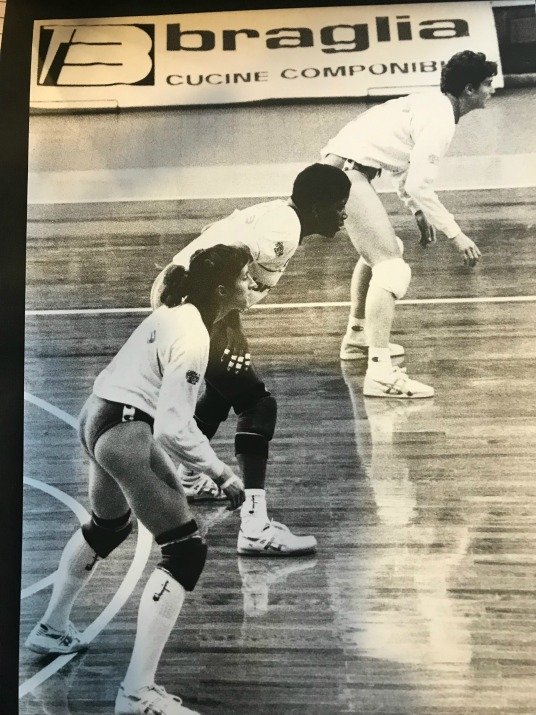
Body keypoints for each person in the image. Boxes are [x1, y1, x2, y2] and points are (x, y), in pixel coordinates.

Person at [25, 245, 255, 715]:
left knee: (108, 527)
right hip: (126, 429)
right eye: (245, 278)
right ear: (221, 289)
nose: (252, 284)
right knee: (185, 550)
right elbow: (173, 426)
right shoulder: (194, 336)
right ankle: (136, 692)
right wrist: (221, 472)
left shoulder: (177, 312)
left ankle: (51, 626)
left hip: (98, 417)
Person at [151, 163, 351, 555]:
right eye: (338, 206)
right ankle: (255, 527)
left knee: (223, 392)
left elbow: (217, 247)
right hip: (193, 310)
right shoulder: (283, 230)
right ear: (316, 208)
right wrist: (215, 328)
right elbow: (217, 259)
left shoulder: (280, 217)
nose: (344, 216)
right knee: (258, 403)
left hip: (197, 308)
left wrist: (228, 321)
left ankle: (190, 476)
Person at [321, 50, 497, 398]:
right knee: (391, 267)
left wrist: (416, 210)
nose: (492, 90)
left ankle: (358, 336)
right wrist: (456, 234)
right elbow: (419, 182)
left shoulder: (432, 105)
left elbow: (403, 164)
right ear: (468, 90)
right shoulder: (441, 119)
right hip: (343, 175)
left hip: (340, 169)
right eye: (487, 84)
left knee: (385, 253)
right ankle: (381, 373)